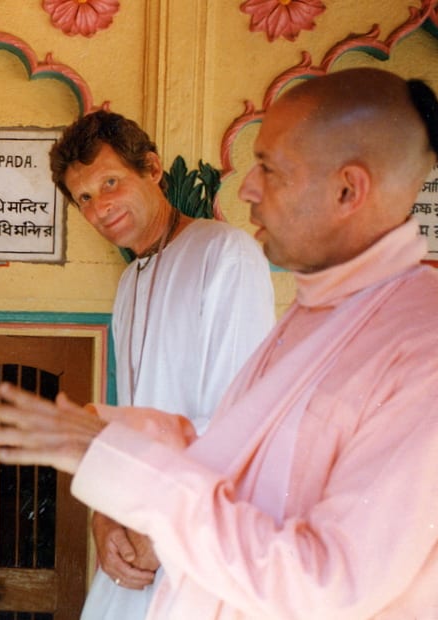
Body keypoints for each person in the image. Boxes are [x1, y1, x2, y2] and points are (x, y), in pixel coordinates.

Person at [0, 67, 438, 618]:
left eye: (268, 168)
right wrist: (105, 481)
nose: (245, 187)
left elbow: (323, 574)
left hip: (191, 541)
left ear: (348, 188)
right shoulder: (319, 309)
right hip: (171, 532)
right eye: (84, 198)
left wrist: (138, 493)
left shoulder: (414, 341)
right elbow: (229, 437)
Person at [50, 111, 273, 618]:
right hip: (137, 540)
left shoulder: (224, 254)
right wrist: (104, 519)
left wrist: (164, 529)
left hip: (193, 541)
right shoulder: (131, 282)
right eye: (84, 197)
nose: (100, 207)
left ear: (151, 169)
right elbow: (130, 423)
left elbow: (239, 423)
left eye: (110, 182)